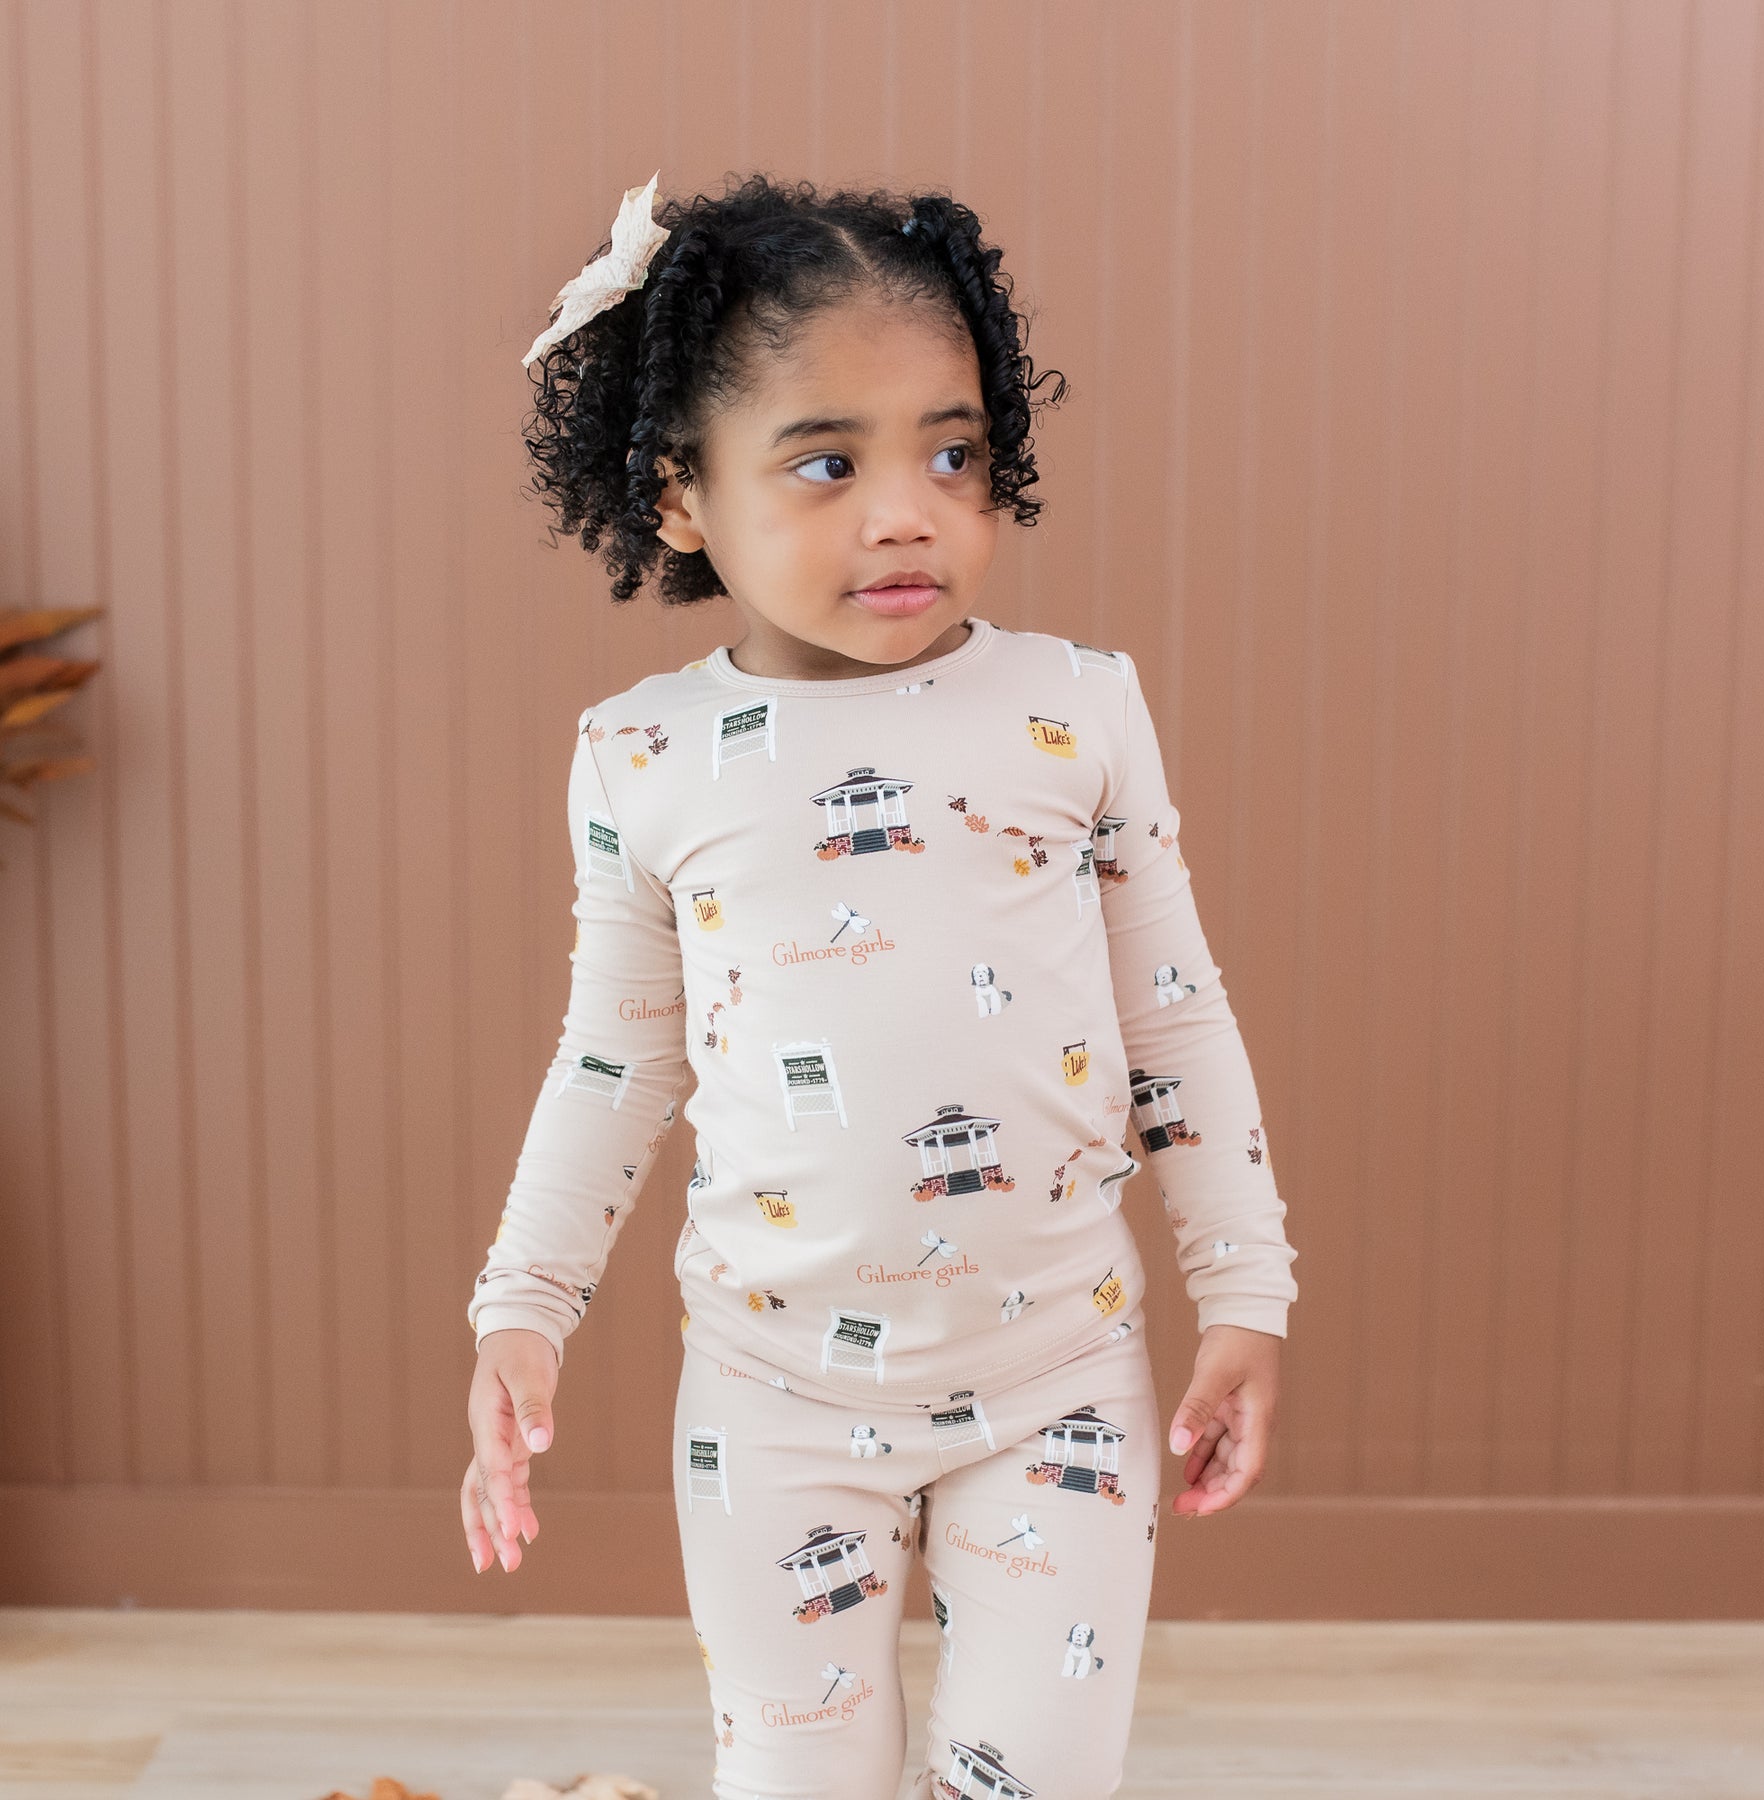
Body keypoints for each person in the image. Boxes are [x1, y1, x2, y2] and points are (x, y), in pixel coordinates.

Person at [459, 169, 1299, 1800]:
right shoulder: (645, 755)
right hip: (770, 1401)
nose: (908, 508)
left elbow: (1175, 1018)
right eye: (829, 462)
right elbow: (614, 1065)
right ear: (683, 495)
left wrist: (1246, 1293)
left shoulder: (1079, 710)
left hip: (1058, 1383)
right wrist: (523, 1310)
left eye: (955, 451)